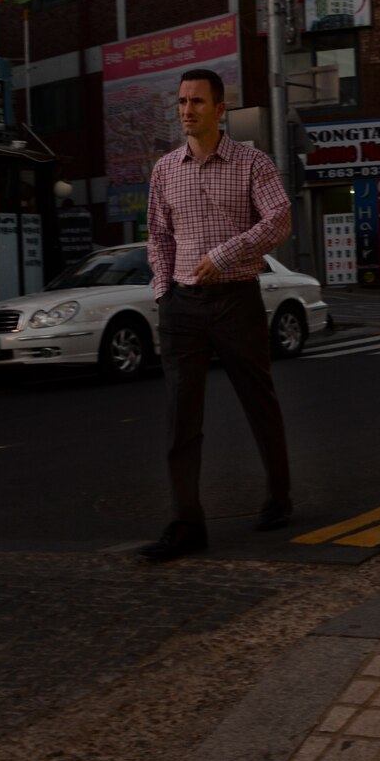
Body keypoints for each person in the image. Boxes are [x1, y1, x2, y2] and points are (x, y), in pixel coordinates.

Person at [140, 68, 294, 561]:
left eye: (198, 102)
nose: (187, 110)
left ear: (220, 109)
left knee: (259, 401)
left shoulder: (252, 163)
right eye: (182, 102)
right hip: (182, 305)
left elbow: (280, 220)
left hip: (236, 299)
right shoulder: (166, 169)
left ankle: (279, 495)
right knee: (180, 418)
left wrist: (225, 255)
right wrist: (164, 291)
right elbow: (158, 236)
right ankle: (186, 523)